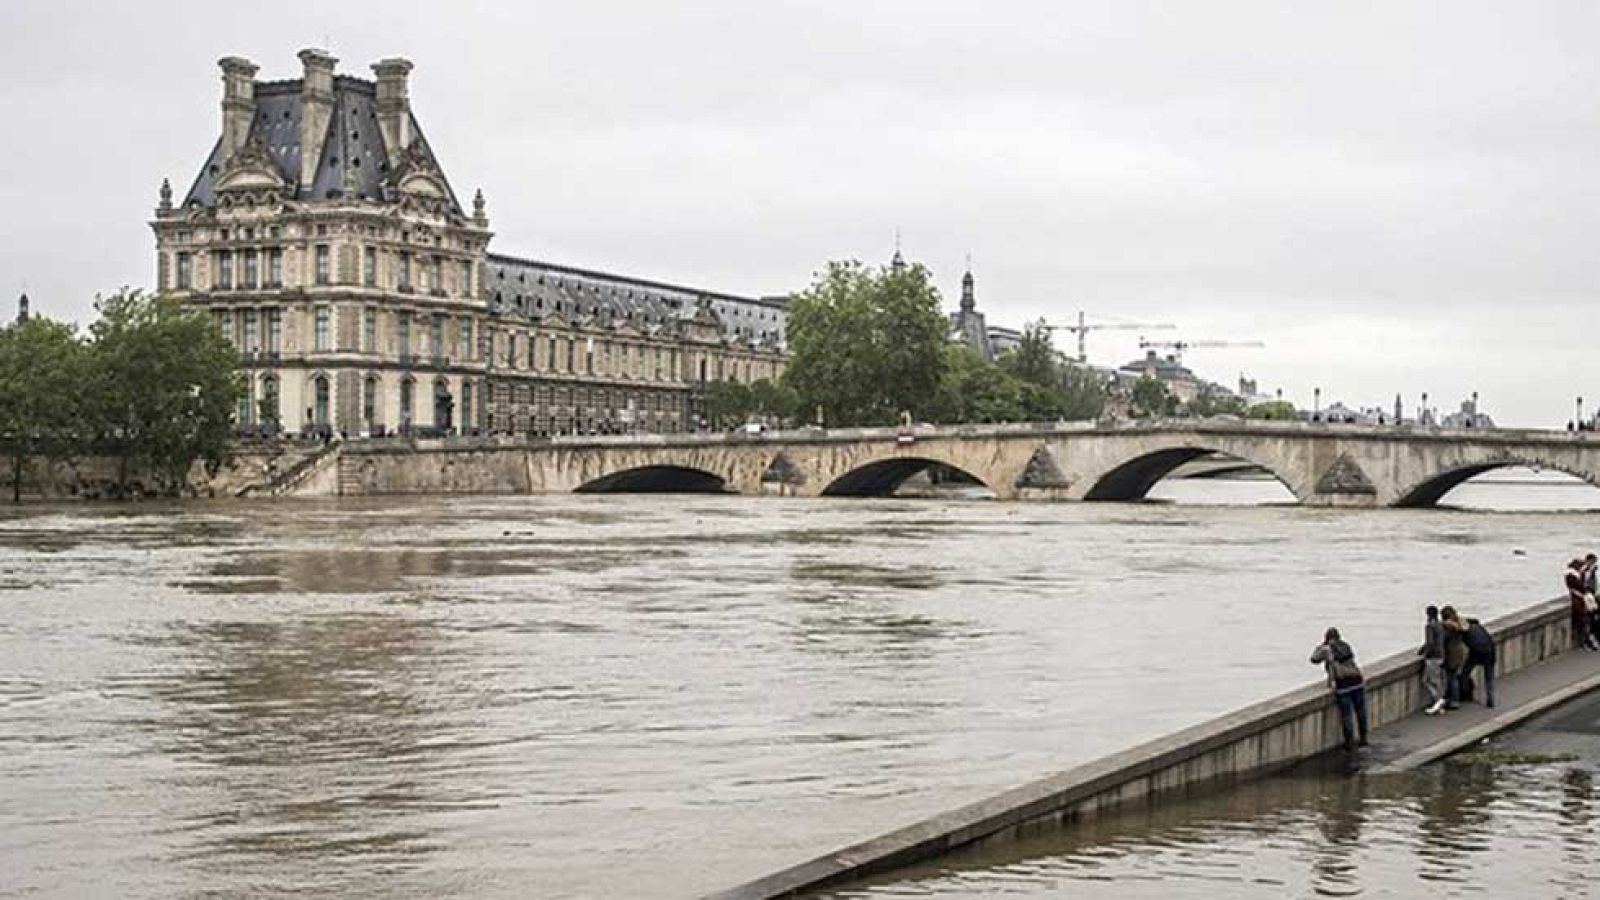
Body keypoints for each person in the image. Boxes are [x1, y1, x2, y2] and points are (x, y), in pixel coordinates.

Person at [1311, 627, 1369, 750]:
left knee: (1347, 715)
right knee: (1361, 712)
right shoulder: (1346, 645)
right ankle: (1363, 739)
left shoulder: (1326, 650)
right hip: (1357, 680)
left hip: (1343, 684)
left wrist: (1320, 646)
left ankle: (1349, 743)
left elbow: (1314, 659)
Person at [1460, 617, 1498, 708]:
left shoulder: (1466, 633)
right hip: (1490, 654)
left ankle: (1464, 694)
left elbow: (1466, 644)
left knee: (1464, 673)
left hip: (1476, 655)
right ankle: (1490, 700)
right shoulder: (1480, 628)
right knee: (1489, 678)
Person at [1416, 605, 1447, 715]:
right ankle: (1439, 704)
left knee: (1429, 680)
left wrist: (1425, 653)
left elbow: (1430, 642)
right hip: (1441, 655)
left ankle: (1438, 700)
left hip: (1433, 657)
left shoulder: (1430, 626)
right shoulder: (1440, 625)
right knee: (1436, 679)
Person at [1440, 606, 1469, 708]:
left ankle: (1454, 701)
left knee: (1451, 678)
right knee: (1454, 676)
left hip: (1452, 654)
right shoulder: (1459, 624)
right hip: (1461, 652)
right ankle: (1453, 699)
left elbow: (1442, 641)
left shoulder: (1447, 627)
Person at [1568, 559, 1597, 651]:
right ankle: (1586, 641)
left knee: (1589, 620)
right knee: (1584, 622)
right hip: (1579, 602)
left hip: (1582, 601)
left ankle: (1589, 640)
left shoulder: (1580, 574)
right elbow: (1581, 587)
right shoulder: (1572, 576)